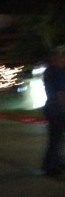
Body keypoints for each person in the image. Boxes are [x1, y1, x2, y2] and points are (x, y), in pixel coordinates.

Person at [41, 46, 65, 177]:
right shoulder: (57, 72)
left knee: (56, 138)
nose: (63, 59)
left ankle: (56, 162)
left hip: (51, 108)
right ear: (56, 58)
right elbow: (60, 93)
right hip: (57, 109)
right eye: (61, 57)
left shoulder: (49, 71)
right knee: (56, 139)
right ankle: (51, 166)